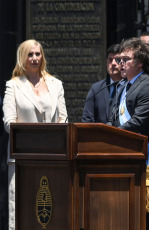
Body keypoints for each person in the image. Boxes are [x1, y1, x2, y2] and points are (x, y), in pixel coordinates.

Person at [3, 39, 67, 230]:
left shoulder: (56, 84)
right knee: (23, 209)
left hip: (54, 156)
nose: (34, 58)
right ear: (22, 57)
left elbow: (63, 120)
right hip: (22, 157)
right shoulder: (13, 86)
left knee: (53, 210)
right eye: (30, 54)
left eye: (38, 54)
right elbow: (9, 123)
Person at [108, 37, 149, 230]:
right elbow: (115, 119)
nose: (119, 63)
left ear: (140, 62)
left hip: (147, 162)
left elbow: (137, 123)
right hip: (127, 159)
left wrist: (108, 132)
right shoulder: (125, 86)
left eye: (125, 59)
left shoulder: (148, 87)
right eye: (119, 59)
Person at [82, 44, 122, 123]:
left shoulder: (130, 86)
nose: (113, 63)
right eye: (110, 60)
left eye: (117, 60)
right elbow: (87, 119)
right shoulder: (97, 88)